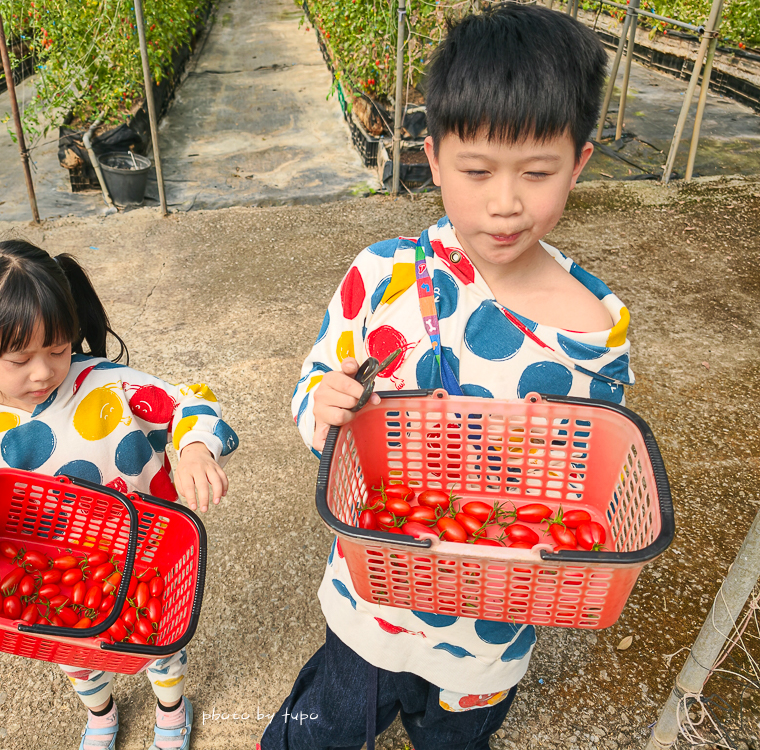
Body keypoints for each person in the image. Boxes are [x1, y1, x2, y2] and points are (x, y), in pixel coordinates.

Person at [263, 5, 632, 749]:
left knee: (456, 735)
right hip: (370, 605)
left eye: (537, 172)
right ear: (432, 160)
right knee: (325, 726)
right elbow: (314, 392)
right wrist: (324, 406)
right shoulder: (383, 277)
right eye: (475, 171)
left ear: (579, 163)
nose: (505, 203)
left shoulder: (591, 336)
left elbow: (574, 491)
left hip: (490, 635)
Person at [0, 239, 238, 750]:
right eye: (19, 359)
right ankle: (101, 716)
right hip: (57, 576)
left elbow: (187, 401)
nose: (43, 372)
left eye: (58, 350)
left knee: (157, 644)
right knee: (76, 654)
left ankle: (172, 710)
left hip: (145, 551)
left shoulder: (108, 384)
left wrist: (194, 445)